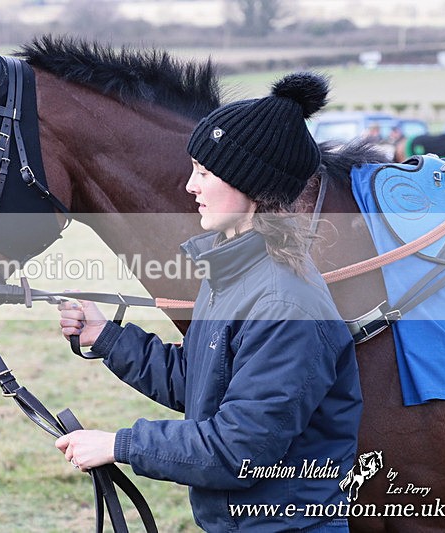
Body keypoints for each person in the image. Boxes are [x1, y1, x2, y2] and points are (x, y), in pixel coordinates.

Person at [55, 73, 362, 532]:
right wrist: (108, 339)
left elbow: (239, 450)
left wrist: (120, 445)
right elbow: (202, 383)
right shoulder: (235, 275)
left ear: (252, 186)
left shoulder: (284, 305)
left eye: (204, 171)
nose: (190, 187)